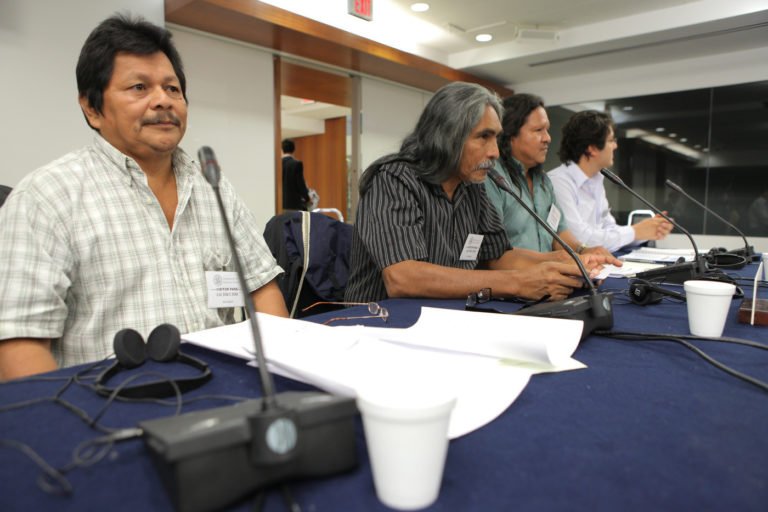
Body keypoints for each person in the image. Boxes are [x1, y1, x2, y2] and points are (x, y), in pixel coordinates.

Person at [0, 15, 288, 380]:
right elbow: (18, 343)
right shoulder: (47, 197)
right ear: (92, 107)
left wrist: (280, 376)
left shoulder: (212, 186)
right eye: (139, 87)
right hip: (106, 412)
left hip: (225, 396)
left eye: (172, 89)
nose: (162, 101)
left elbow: (262, 288)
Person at [345, 82, 611, 304]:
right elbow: (403, 277)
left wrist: (565, 260)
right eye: (483, 137)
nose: (495, 152)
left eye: (496, 137)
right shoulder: (394, 180)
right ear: (448, 135)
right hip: (376, 325)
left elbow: (498, 257)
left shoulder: (472, 187)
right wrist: (518, 283)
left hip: (445, 317)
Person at [485, 94, 616, 259]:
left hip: (550, 278)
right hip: (515, 281)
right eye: (538, 130)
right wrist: (553, 262)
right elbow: (493, 257)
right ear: (511, 135)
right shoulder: (493, 179)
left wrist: (583, 251)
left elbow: (560, 234)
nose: (548, 138)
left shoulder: (544, 181)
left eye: (547, 130)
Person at [548, 110, 673, 252]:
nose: (615, 146)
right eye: (611, 140)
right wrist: (635, 231)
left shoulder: (596, 180)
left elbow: (610, 230)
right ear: (593, 148)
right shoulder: (558, 183)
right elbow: (579, 240)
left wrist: (647, 231)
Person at [281, 139, 311, 211]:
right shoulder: (296, 164)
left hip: (279, 203)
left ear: (282, 149)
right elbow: (300, 183)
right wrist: (307, 198)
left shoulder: (277, 164)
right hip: (294, 203)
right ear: (293, 149)